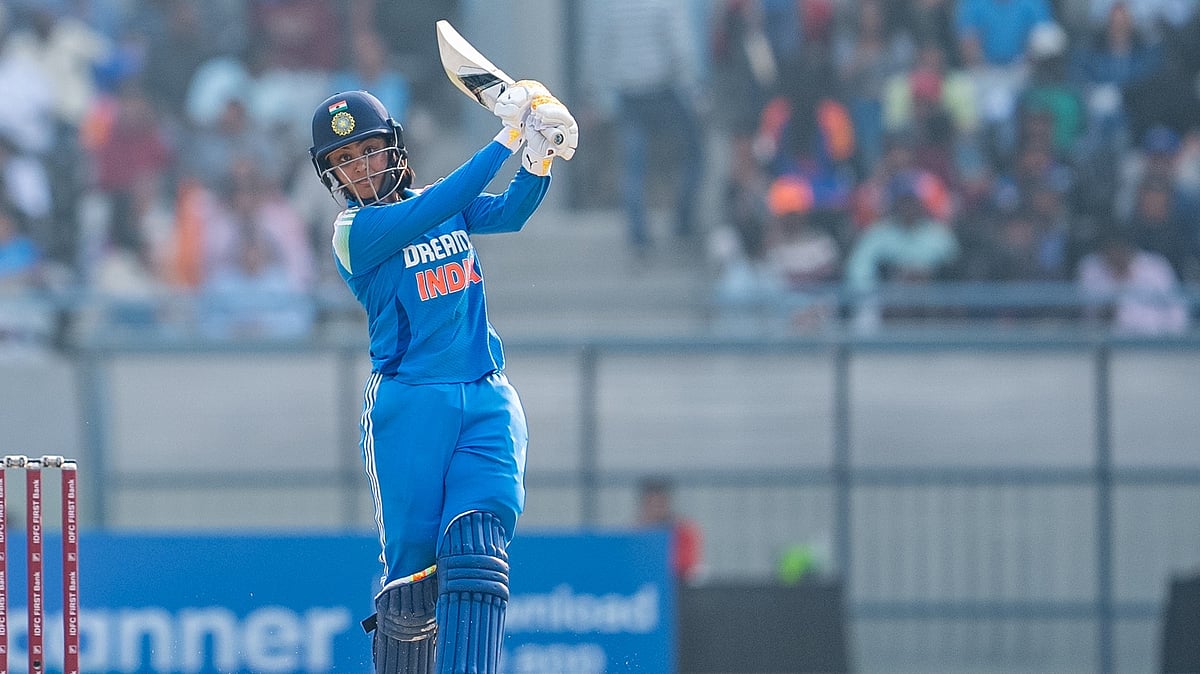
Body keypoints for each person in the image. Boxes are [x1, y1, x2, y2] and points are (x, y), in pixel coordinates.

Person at [308, 85, 576, 674]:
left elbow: (510, 212)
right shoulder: (354, 232)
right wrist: (506, 133)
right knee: (412, 587)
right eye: (343, 161)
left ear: (393, 149)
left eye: (368, 150)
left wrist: (538, 153)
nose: (358, 168)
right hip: (409, 407)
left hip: (485, 394)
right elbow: (438, 206)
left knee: (479, 549)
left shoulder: (439, 200)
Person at [637, 476, 704, 584]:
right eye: (651, 503)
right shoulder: (636, 533)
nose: (655, 508)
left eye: (659, 503)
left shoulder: (683, 531)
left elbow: (686, 564)